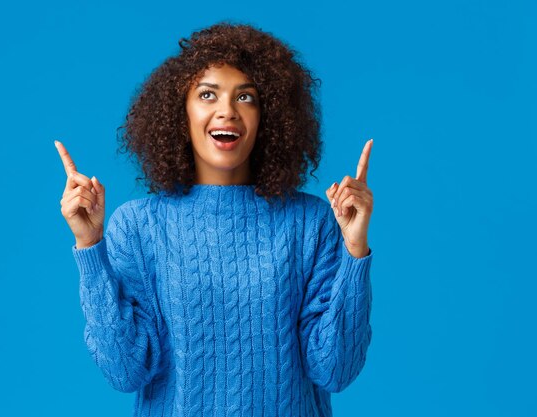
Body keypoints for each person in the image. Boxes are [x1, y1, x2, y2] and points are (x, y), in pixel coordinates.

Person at [56, 22, 374, 417]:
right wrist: (90, 247)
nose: (227, 110)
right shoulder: (138, 226)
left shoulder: (310, 223)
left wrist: (355, 251)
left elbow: (335, 370)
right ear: (180, 112)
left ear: (269, 117)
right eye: (208, 94)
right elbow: (125, 372)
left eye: (246, 97)